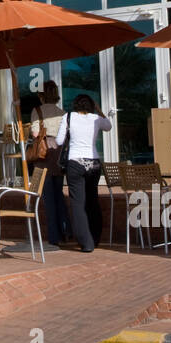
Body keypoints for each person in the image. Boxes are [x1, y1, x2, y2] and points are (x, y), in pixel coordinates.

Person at [54, 94, 112, 253]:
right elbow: (109, 126)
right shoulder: (96, 118)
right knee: (92, 201)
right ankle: (95, 237)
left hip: (75, 163)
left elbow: (59, 142)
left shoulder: (69, 117)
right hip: (93, 163)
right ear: (91, 106)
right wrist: (99, 110)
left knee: (78, 204)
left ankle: (86, 243)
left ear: (75, 105)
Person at [29, 81, 68, 247]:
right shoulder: (63, 113)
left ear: (42, 95)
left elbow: (35, 133)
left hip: (44, 155)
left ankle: (53, 237)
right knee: (59, 194)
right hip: (58, 155)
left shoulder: (37, 111)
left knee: (48, 197)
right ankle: (65, 231)